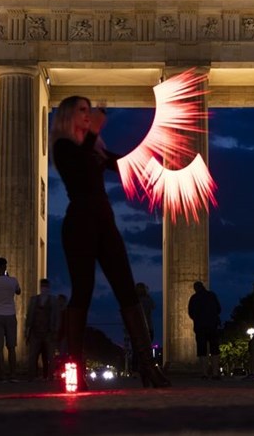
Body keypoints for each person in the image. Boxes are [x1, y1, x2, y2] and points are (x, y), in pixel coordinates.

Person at [49, 95, 170, 389]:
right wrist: (94, 135)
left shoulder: (95, 148)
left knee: (127, 290)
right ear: (67, 116)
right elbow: (78, 171)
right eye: (82, 110)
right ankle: (75, 370)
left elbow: (124, 165)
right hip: (79, 222)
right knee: (83, 292)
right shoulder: (64, 147)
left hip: (105, 222)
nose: (88, 114)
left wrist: (158, 163)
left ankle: (148, 368)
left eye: (89, 110)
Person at [25, 278, 59, 380]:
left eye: (45, 286)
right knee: (32, 355)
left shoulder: (53, 300)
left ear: (48, 288)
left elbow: (57, 317)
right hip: (35, 331)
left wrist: (55, 330)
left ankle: (50, 375)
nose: (44, 288)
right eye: (42, 286)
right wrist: (27, 330)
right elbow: (29, 315)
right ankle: (31, 375)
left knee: (50, 356)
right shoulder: (34, 299)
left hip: (49, 332)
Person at [188, 281, 222, 379]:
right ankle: (215, 373)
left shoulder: (194, 298)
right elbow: (219, 309)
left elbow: (190, 313)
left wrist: (198, 318)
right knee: (214, 349)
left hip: (200, 327)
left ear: (195, 288)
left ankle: (204, 373)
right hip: (212, 325)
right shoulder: (212, 295)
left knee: (202, 350)